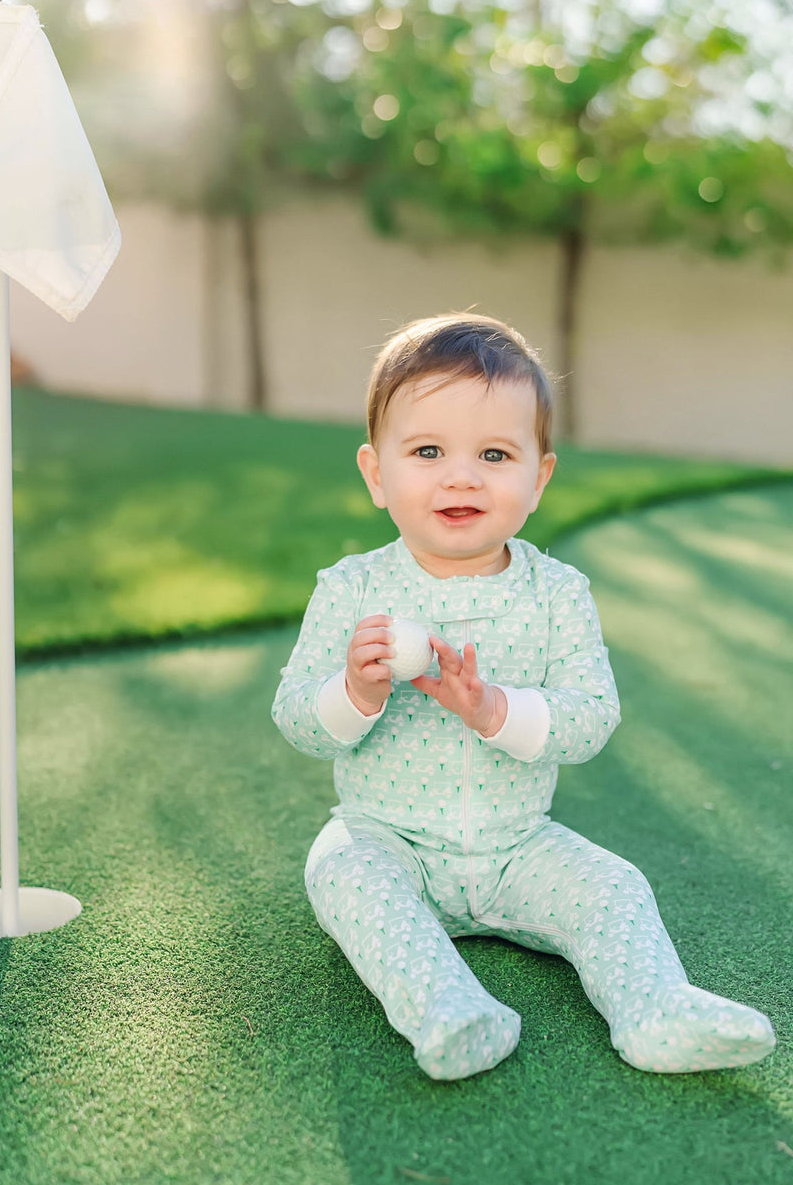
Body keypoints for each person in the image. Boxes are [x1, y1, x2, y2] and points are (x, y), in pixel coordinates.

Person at [271, 312, 775, 1080]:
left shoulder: (557, 594)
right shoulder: (352, 590)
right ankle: (449, 1009)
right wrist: (354, 690)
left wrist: (495, 711)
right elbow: (299, 720)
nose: (462, 475)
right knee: (341, 874)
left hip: (517, 847)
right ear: (378, 474)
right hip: (389, 839)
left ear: (538, 478)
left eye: (495, 454)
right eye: (428, 451)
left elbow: (591, 717)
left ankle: (656, 1010)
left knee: (614, 886)